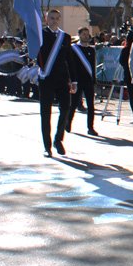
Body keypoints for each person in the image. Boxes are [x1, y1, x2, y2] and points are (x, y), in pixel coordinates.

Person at [37, 9, 78, 156]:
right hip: (46, 78)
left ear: (59, 19)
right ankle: (47, 146)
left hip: (62, 78)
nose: (54, 20)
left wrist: (74, 80)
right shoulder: (40, 34)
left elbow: (69, 60)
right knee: (45, 113)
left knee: (66, 108)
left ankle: (58, 139)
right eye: (51, 18)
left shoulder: (65, 37)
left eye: (56, 18)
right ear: (46, 19)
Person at [67, 26, 98, 136]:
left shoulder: (91, 50)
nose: (86, 36)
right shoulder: (74, 49)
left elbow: (93, 66)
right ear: (79, 35)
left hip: (88, 81)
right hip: (77, 80)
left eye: (87, 34)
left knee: (91, 105)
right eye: (83, 34)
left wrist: (94, 79)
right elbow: (70, 65)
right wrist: (71, 80)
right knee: (74, 104)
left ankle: (90, 127)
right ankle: (68, 123)